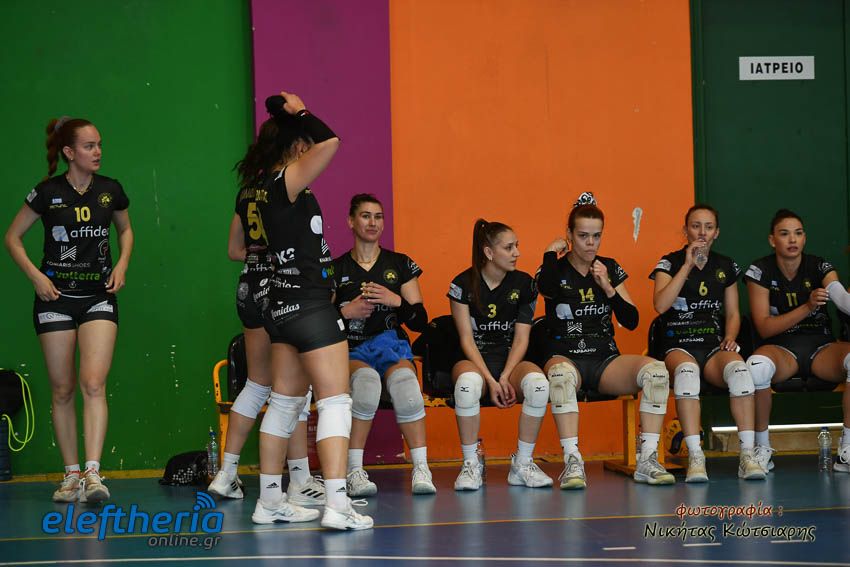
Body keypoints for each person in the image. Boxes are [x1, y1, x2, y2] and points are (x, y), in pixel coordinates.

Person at [248, 91, 372, 529]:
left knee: (283, 404)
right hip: (310, 305)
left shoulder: (264, 187)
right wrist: (300, 111)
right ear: (296, 146)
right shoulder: (284, 181)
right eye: (304, 144)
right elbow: (331, 141)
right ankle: (337, 505)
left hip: (282, 305)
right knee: (336, 401)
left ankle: (269, 501)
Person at [4, 117, 133, 502]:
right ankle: (71, 475)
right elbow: (12, 238)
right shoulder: (47, 192)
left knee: (93, 383)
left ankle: (93, 474)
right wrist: (36, 277)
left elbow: (125, 230)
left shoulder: (110, 190)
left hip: (98, 296)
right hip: (55, 299)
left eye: (99, 144)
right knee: (62, 389)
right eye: (89, 146)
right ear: (69, 152)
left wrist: (122, 264)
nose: (98, 151)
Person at [536, 192, 673, 488]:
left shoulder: (608, 267)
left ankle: (647, 459)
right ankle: (573, 461)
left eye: (596, 236)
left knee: (657, 373)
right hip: (565, 356)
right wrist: (549, 252)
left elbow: (631, 320)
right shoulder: (554, 268)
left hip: (604, 360)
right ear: (569, 235)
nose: (590, 243)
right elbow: (546, 289)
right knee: (559, 378)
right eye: (583, 235)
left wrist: (608, 287)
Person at [206, 187, 324, 506]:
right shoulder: (290, 186)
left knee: (256, 384)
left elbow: (234, 250)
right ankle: (299, 480)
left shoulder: (245, 192)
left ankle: (226, 474)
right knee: (295, 387)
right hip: (281, 286)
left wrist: (258, 256)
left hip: (249, 286)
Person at [651, 204, 764, 481]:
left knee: (740, 371)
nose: (702, 232)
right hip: (678, 344)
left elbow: (733, 313)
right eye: (696, 226)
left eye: (709, 227)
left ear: (717, 232)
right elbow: (660, 305)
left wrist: (730, 336)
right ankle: (696, 456)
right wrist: (687, 265)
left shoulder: (725, 265)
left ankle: (747, 455)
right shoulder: (669, 263)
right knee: (687, 373)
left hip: (712, 346)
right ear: (685, 230)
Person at [333, 193, 434, 496]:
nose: (372, 222)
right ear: (351, 221)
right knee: (365, 384)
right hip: (352, 348)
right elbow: (319, 321)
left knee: (406, 386)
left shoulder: (399, 264)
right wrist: (345, 312)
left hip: (390, 344)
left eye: (378, 216)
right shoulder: (336, 269)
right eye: (365, 216)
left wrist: (396, 300)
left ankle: (421, 469)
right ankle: (354, 470)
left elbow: (420, 321)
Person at [448, 218, 553, 491]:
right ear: (489, 252)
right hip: (474, 359)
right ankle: (470, 464)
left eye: (517, 245)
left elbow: (521, 338)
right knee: (467, 385)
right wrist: (490, 380)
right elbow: (466, 339)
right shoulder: (462, 284)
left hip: (510, 360)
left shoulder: (525, 284)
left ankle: (522, 464)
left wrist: (505, 376)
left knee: (539, 385)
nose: (517, 252)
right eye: (509, 247)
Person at [745, 209, 850, 473]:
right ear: (772, 240)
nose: (792, 239)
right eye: (784, 234)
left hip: (821, 347)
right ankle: (761, 449)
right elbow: (764, 327)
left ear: (804, 238)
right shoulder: (760, 270)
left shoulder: (818, 265)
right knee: (756, 367)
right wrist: (807, 306)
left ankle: (847, 449)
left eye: (798, 233)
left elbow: (842, 300)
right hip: (781, 348)